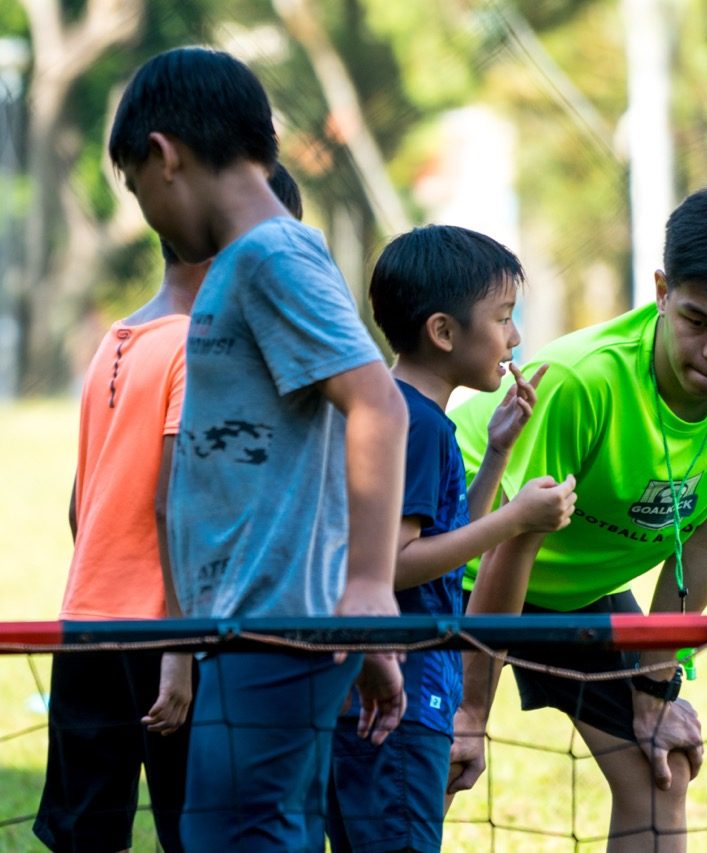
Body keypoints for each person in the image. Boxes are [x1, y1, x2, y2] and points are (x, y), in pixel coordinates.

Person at [447, 178, 707, 851]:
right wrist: (471, 708)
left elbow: (706, 540)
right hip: (468, 562)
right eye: (697, 321)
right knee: (434, 762)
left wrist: (655, 682)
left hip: (578, 585)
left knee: (662, 768)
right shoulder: (581, 379)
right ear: (660, 291)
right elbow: (511, 546)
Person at [108, 46, 409, 850]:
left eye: (137, 190)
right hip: (257, 619)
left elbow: (378, 403)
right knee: (258, 827)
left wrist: (370, 590)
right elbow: (321, 444)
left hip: (278, 621)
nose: (148, 213)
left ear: (163, 155)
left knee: (231, 834)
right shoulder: (252, 263)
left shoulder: (270, 257)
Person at [32, 163, 306, 853]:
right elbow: (176, 502)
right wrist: (181, 650)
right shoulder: (199, 345)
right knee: (200, 831)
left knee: (84, 834)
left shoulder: (114, 339)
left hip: (87, 622)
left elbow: (80, 503)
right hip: (168, 635)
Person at [326, 225, 576, 853]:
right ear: (443, 332)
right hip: (399, 704)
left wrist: (496, 454)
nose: (514, 337)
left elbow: (441, 537)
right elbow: (394, 566)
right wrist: (517, 520)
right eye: (503, 317)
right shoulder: (417, 425)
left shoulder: (398, 410)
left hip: (378, 698)